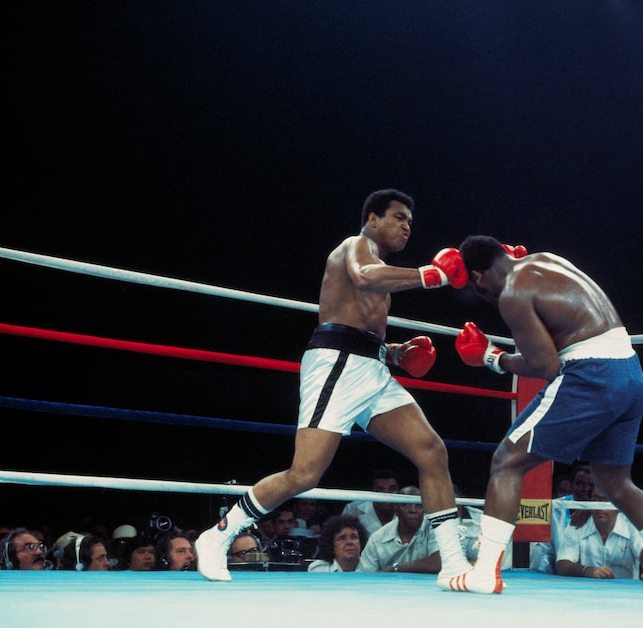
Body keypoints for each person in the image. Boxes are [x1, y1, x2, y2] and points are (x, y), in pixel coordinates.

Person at [195, 189, 472, 587]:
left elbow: (363, 326)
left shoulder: (380, 268)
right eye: (398, 217)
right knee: (304, 473)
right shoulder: (355, 247)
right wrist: (433, 275)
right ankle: (219, 534)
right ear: (373, 219)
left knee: (431, 450)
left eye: (410, 221)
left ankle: (453, 561)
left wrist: (396, 353)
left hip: (371, 369)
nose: (406, 226)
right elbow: (364, 278)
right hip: (336, 365)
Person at [440, 235, 643, 596]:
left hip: (590, 374)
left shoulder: (513, 295)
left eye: (473, 284)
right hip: (630, 374)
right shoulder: (547, 259)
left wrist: (491, 358)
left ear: (479, 277)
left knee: (506, 461)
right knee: (615, 483)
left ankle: (484, 573)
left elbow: (545, 366)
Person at [555, 486, 643, 582]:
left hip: (627, 594)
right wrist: (589, 571)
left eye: (606, 500)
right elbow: (562, 565)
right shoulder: (577, 523)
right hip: (587, 593)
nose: (600, 506)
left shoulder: (631, 524)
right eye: (596, 500)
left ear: (618, 505)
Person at [357, 486, 442, 573]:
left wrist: (396, 568)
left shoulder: (434, 528)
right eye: (406, 505)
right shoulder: (377, 539)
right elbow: (364, 576)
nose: (413, 510)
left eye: (419, 506)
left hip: (427, 586)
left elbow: (439, 563)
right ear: (396, 510)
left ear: (425, 510)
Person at [341, 468, 402, 536]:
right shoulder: (353, 509)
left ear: (399, 491)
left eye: (392, 489)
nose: (386, 495)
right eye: (380, 490)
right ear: (372, 492)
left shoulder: (407, 510)